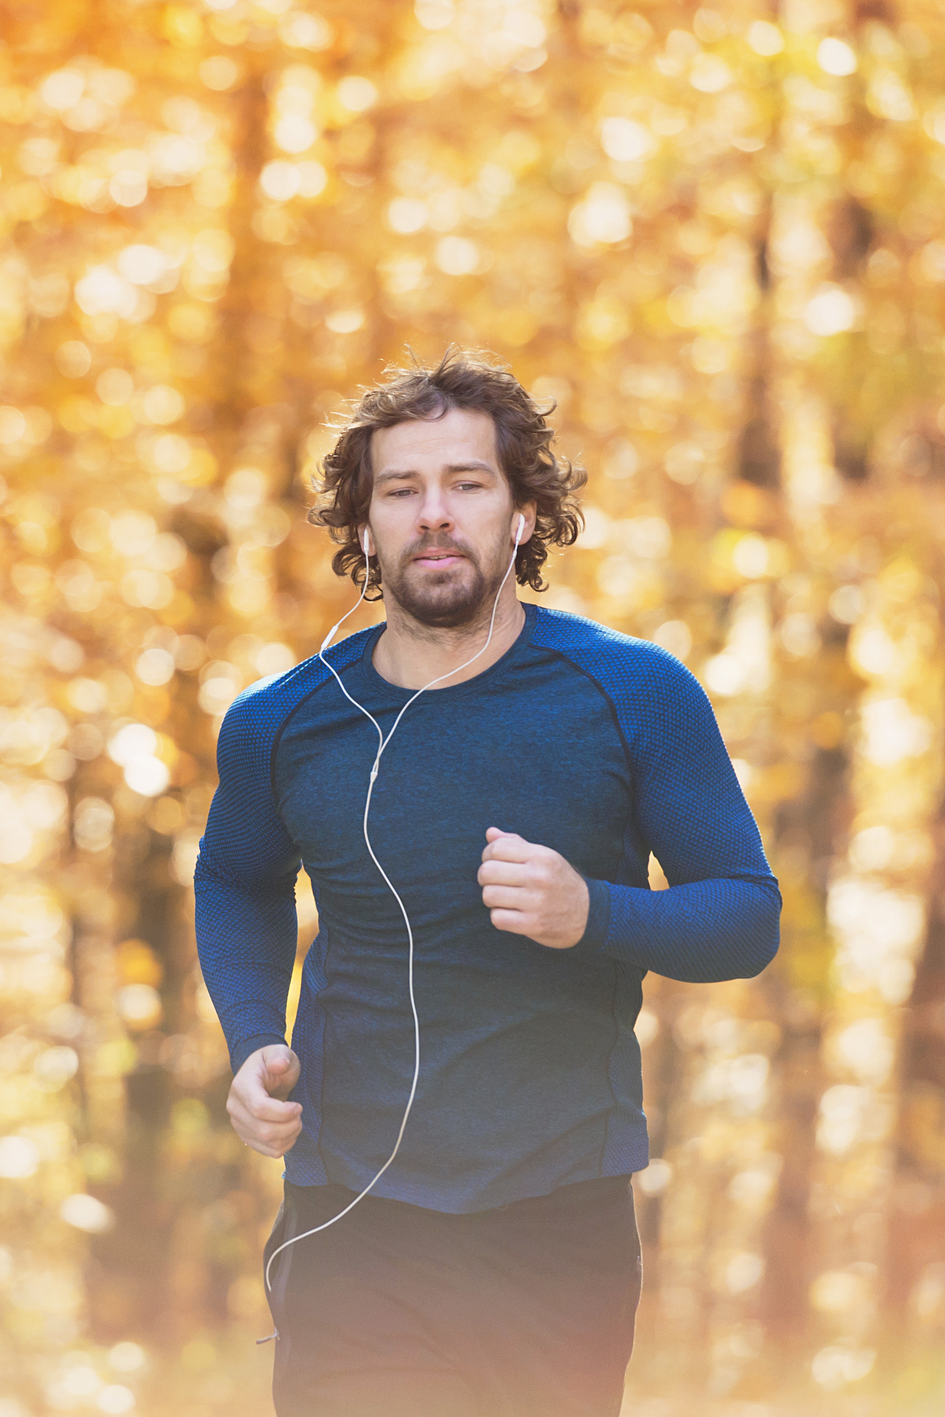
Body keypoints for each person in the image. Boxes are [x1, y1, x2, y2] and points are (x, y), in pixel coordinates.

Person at [192, 349, 780, 1416]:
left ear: (520, 514)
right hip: (350, 1218)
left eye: (465, 483)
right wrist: (249, 1038)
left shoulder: (630, 694)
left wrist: (589, 912)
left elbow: (744, 914)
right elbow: (234, 880)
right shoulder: (281, 722)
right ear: (361, 525)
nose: (432, 514)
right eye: (400, 489)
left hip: (553, 1219)